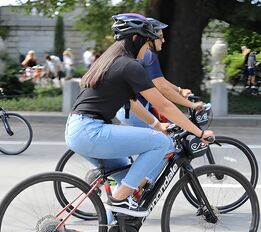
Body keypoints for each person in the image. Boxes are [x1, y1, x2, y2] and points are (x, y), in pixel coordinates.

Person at [65, 13, 214, 217]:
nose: (148, 51)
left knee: (125, 178)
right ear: (136, 39)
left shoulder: (110, 61)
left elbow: (132, 103)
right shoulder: (130, 65)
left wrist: (156, 124)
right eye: (147, 44)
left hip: (77, 129)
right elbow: (164, 105)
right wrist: (198, 132)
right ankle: (118, 201)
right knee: (161, 143)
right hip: (91, 131)